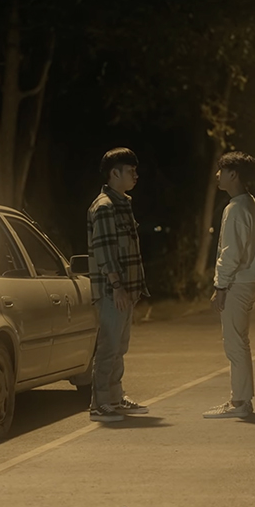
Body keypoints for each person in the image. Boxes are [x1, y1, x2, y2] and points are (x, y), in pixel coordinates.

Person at [86, 147, 151, 422]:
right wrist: (117, 286)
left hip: (126, 290)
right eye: (130, 171)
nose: (135, 175)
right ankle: (99, 403)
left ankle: (115, 397)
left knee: (119, 347)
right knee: (109, 347)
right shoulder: (104, 207)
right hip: (113, 291)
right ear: (114, 173)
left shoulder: (122, 204)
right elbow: (104, 250)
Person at [204, 151, 255, 419]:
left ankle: (240, 402)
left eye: (222, 170)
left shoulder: (236, 209)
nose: (217, 175)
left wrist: (220, 287)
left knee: (235, 344)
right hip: (249, 280)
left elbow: (230, 254)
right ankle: (241, 400)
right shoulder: (250, 203)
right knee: (240, 341)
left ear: (234, 174)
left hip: (237, 283)